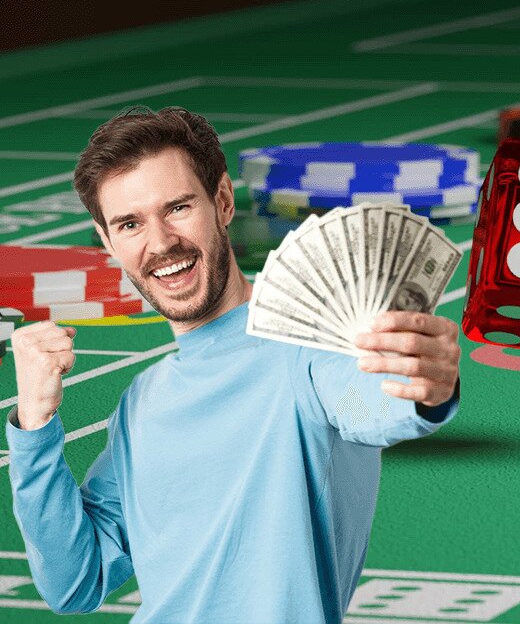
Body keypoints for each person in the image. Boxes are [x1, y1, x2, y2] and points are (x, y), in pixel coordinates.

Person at [6, 107, 461, 622]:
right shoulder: (141, 402)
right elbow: (74, 583)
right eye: (130, 223)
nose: (159, 243)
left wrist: (424, 385)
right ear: (107, 240)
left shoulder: (313, 350)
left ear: (221, 201)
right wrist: (34, 426)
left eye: (177, 207)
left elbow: (369, 402)